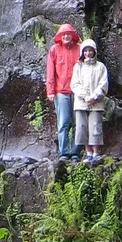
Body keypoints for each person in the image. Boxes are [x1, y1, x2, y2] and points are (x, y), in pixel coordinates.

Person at [45, 22, 81, 160]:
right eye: (63, 34)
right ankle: (64, 152)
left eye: (68, 34)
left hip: (78, 92)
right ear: (60, 36)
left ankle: (75, 152)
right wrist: (50, 90)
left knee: (78, 122)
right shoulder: (54, 50)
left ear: (73, 36)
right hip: (61, 91)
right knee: (64, 121)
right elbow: (50, 71)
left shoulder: (79, 49)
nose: (66, 36)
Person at [70, 38, 109, 162]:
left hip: (96, 102)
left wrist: (95, 96)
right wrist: (85, 96)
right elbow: (74, 84)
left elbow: (103, 84)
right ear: (82, 52)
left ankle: (96, 153)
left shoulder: (101, 67)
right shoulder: (78, 67)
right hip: (81, 102)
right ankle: (88, 153)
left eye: (90, 50)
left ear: (94, 51)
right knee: (82, 127)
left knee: (95, 126)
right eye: (85, 51)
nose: (88, 53)